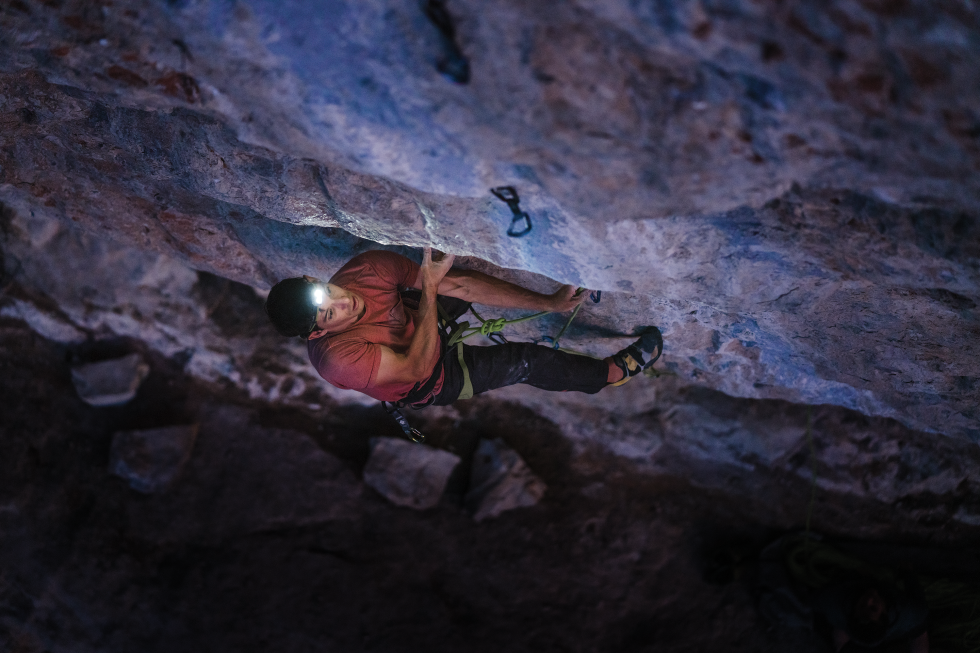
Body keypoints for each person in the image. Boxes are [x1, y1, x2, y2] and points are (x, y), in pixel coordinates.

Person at [264, 248, 662, 406]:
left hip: (418, 321)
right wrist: (431, 293)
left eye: (326, 293)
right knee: (526, 361)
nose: (343, 301)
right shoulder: (337, 359)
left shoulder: (366, 270)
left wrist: (551, 302)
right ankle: (610, 374)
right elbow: (417, 368)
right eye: (330, 315)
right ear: (318, 332)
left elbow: (459, 284)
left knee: (458, 273)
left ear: (314, 281)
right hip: (434, 378)